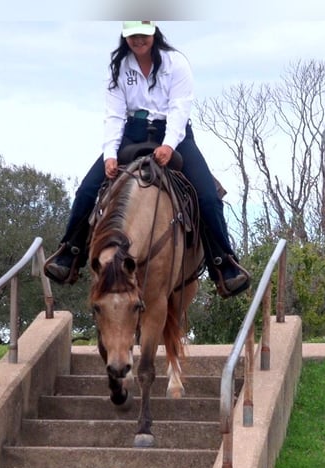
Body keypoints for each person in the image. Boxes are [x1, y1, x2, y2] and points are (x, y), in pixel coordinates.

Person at [44, 21, 250, 298]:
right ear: (125, 37)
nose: (137, 40)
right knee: (87, 190)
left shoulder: (176, 63)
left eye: (142, 34)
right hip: (133, 133)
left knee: (208, 196)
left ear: (153, 33)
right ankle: (70, 253)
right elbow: (115, 114)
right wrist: (109, 155)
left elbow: (180, 108)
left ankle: (223, 263)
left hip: (174, 134)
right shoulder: (119, 67)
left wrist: (168, 145)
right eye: (132, 36)